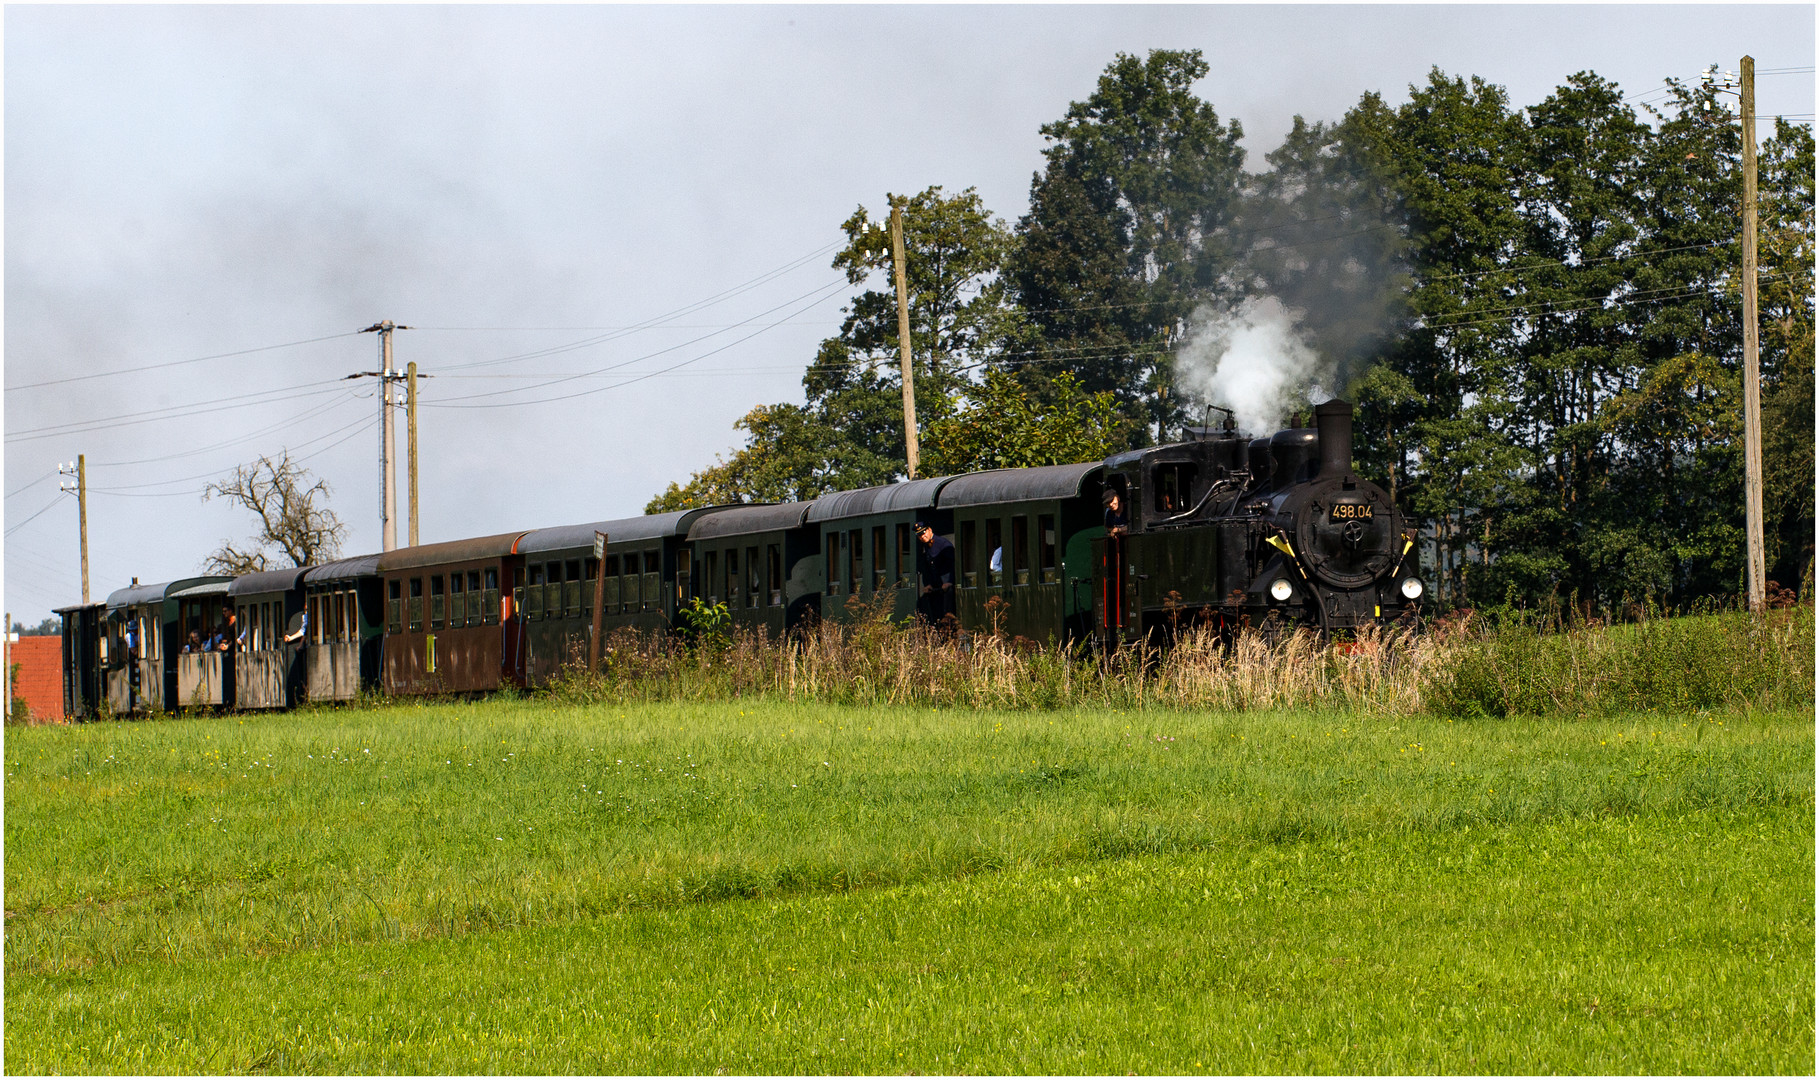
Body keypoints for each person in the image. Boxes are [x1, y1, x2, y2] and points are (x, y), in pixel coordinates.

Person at [913, 520, 955, 625]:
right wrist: (927, 584)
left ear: (929, 530)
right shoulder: (925, 547)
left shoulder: (943, 544)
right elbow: (926, 568)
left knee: (948, 615)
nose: (922, 537)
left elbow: (953, 564)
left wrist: (949, 581)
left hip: (947, 588)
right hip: (935, 588)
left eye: (923, 533)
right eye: (919, 535)